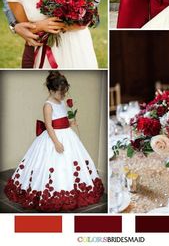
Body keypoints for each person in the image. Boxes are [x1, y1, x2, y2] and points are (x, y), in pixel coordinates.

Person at [4, 71, 104, 212]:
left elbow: (64, 119)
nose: (62, 95)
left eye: (64, 92)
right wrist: (56, 143)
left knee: (70, 164)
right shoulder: (48, 105)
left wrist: (71, 123)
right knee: (52, 165)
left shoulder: (62, 102)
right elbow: (49, 126)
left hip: (67, 135)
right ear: (51, 90)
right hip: (54, 138)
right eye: (60, 93)